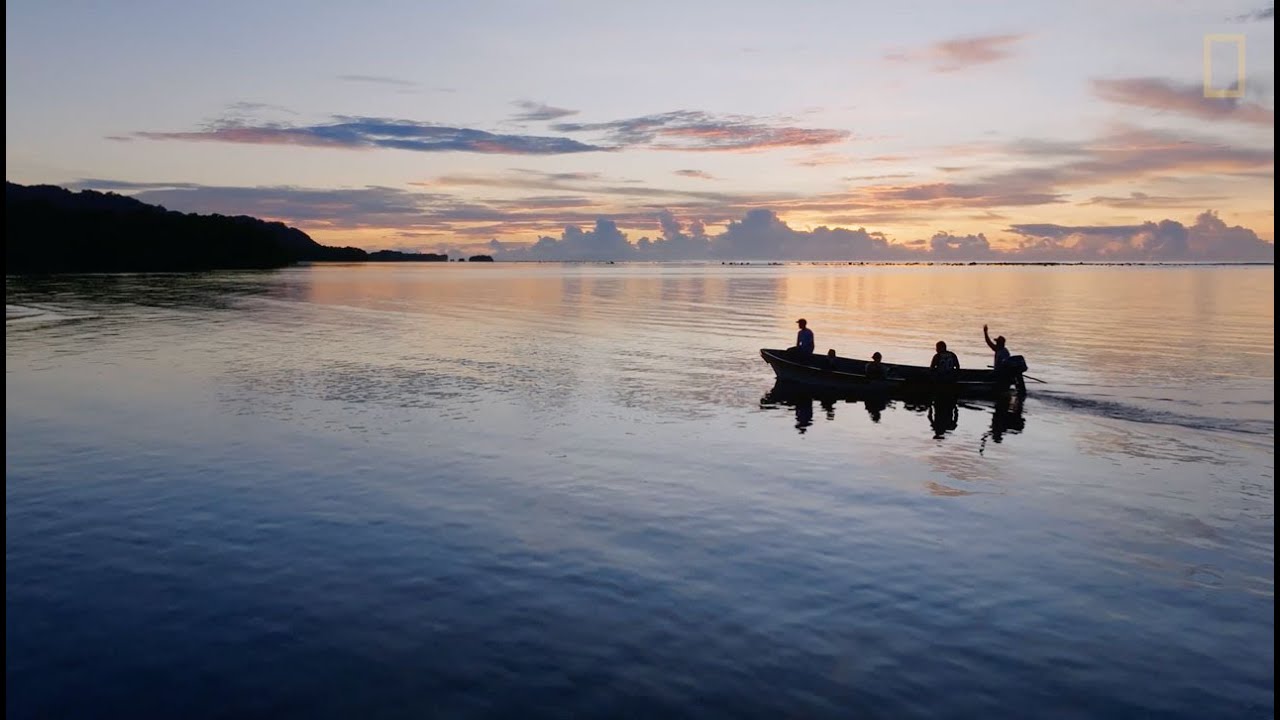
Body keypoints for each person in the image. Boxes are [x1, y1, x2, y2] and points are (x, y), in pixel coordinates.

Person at [984, 324, 1026, 395]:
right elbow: (989, 343)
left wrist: (998, 370)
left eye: (997, 342)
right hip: (998, 372)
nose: (995, 343)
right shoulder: (998, 349)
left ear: (1000, 344)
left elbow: (1005, 364)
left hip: (1000, 374)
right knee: (987, 375)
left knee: (986, 377)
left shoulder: (1004, 352)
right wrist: (985, 332)